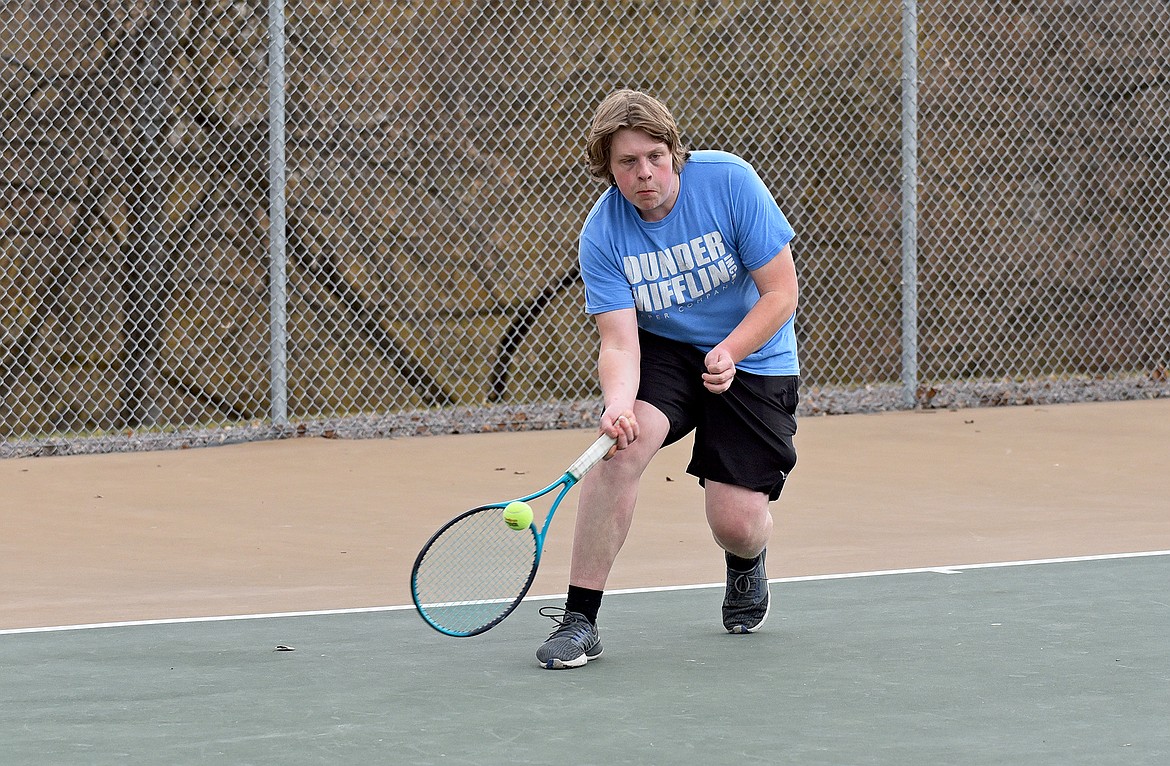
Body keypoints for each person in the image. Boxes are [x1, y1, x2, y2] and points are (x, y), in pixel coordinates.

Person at [535, 89, 800, 669]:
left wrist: (730, 351)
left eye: (655, 156)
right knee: (617, 453)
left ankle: (745, 560)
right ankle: (580, 619)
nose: (644, 173)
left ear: (676, 152)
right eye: (627, 162)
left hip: (753, 355)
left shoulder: (730, 183)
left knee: (735, 523)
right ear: (608, 167)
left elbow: (781, 292)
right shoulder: (602, 233)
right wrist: (617, 404)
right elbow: (619, 340)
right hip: (666, 353)